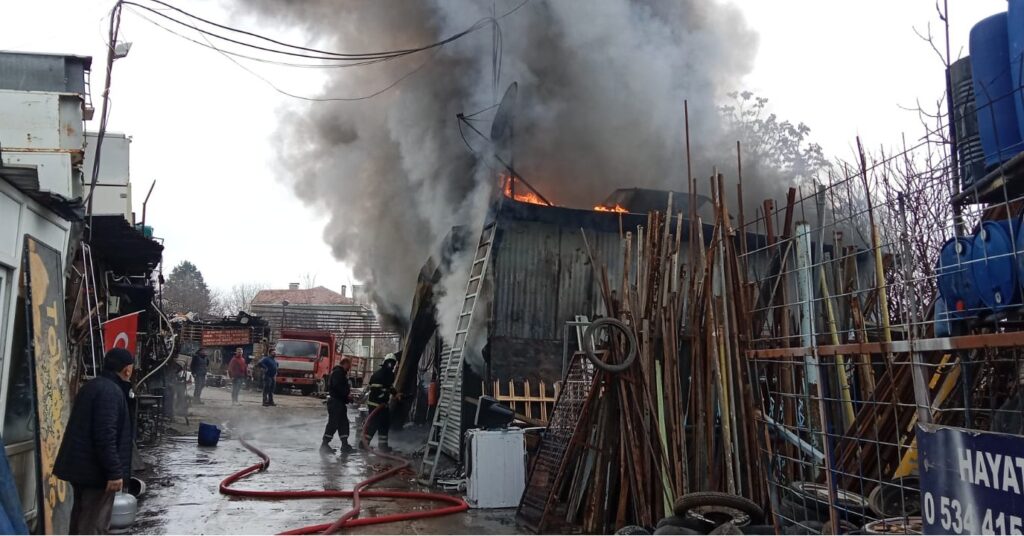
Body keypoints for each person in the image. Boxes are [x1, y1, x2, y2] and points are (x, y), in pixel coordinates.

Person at [53, 348, 135, 534]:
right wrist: (114, 472)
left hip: (83, 470)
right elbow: (105, 435)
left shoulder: (93, 386)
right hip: (95, 473)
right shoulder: (110, 392)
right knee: (93, 524)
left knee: (81, 518)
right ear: (127, 370)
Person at [363, 354, 398, 452]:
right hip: (377, 405)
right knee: (374, 424)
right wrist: (383, 397)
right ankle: (364, 444)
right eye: (391, 364)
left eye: (393, 364)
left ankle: (383, 446)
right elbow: (378, 389)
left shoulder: (385, 374)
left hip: (381, 405)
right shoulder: (383, 375)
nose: (392, 366)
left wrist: (396, 394)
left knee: (384, 424)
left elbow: (389, 387)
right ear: (388, 363)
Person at [321, 357, 353, 454]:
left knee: (343, 423)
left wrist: (347, 398)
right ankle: (324, 445)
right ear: (345, 363)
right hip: (336, 403)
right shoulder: (338, 373)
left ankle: (345, 445)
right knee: (333, 424)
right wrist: (347, 396)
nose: (350, 367)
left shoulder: (341, 373)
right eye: (349, 365)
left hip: (340, 403)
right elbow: (338, 387)